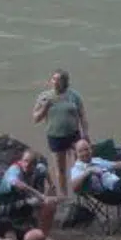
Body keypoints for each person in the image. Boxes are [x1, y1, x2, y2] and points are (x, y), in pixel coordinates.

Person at [32, 69, 88, 197]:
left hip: (74, 134)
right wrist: (45, 108)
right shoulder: (44, 97)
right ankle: (64, 195)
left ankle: (80, 192)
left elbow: (83, 115)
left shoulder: (74, 96)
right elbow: (35, 118)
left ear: (65, 82)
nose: (56, 82)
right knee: (60, 169)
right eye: (54, 79)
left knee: (79, 164)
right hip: (55, 136)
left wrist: (85, 133)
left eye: (59, 80)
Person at [0, 150, 58, 233]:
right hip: (5, 204)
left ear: (35, 165)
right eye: (25, 161)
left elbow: (44, 169)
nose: (27, 165)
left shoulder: (38, 167)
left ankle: (42, 233)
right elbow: (21, 185)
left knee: (50, 204)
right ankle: (38, 232)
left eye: (31, 163)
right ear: (21, 160)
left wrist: (52, 186)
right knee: (41, 202)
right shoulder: (14, 169)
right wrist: (41, 196)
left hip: (23, 199)